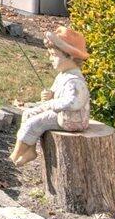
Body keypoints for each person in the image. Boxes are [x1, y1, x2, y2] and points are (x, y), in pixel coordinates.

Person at [10, 27, 91, 166]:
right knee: (28, 114)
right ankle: (30, 150)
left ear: (70, 56)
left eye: (54, 55)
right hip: (61, 114)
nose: (50, 58)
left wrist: (52, 104)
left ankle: (15, 155)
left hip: (71, 119)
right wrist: (49, 96)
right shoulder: (62, 76)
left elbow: (74, 103)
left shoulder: (75, 80)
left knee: (35, 122)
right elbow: (55, 94)